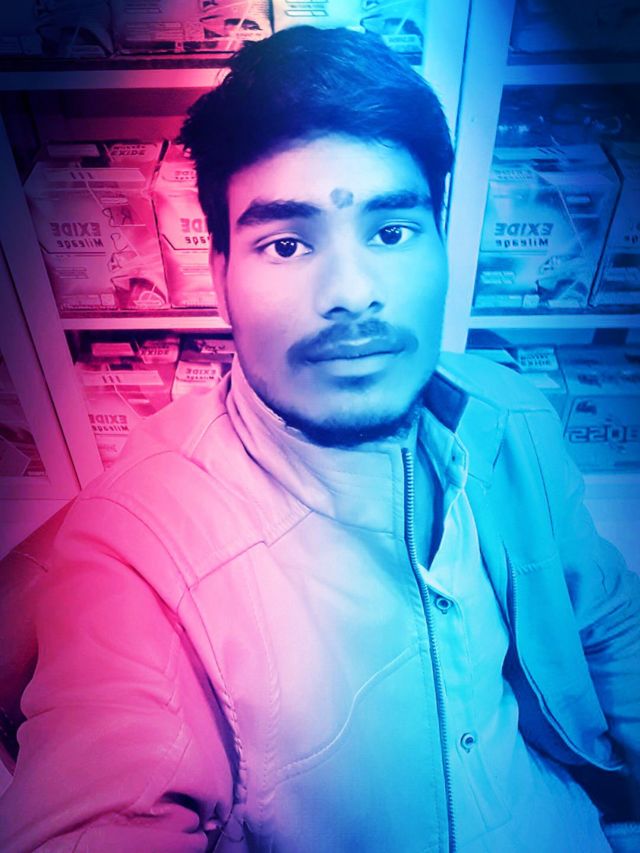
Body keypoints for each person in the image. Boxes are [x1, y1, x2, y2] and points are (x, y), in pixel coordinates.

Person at [1, 25, 639, 853]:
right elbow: (102, 791)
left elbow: (606, 619)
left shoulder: (511, 412)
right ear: (220, 276)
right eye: (287, 243)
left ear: (442, 244)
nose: (352, 292)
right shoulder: (137, 552)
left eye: (392, 231)